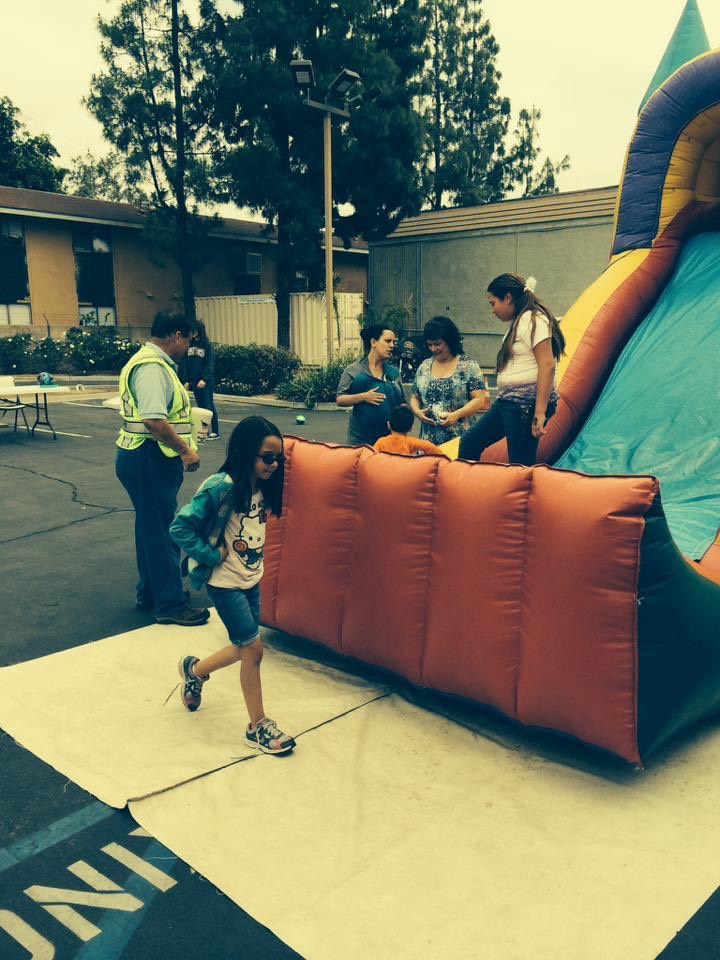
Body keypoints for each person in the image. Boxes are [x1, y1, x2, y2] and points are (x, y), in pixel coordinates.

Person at [169, 416, 295, 756]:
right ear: (244, 452)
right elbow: (179, 529)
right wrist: (209, 555)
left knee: (244, 647)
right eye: (267, 457)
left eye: (278, 458)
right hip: (224, 583)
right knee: (253, 650)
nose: (273, 464)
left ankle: (194, 670)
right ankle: (258, 726)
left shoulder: (264, 486)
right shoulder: (220, 487)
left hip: (251, 578)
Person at [115, 310, 209, 627]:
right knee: (161, 531)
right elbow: (153, 420)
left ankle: (150, 593)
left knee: (149, 528)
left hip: (142, 456)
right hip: (150, 457)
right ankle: (170, 604)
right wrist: (185, 450)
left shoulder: (151, 364)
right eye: (188, 340)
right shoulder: (152, 367)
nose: (188, 349)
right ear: (177, 336)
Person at [458, 274, 565, 465]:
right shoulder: (519, 322)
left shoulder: (533, 320)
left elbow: (547, 364)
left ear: (507, 298)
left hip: (525, 405)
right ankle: (468, 488)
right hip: (508, 401)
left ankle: (523, 493)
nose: (492, 311)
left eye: (493, 303)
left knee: (520, 463)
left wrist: (540, 412)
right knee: (470, 442)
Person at [410, 316, 487, 446]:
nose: (433, 349)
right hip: (428, 444)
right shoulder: (424, 367)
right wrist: (417, 412)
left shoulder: (469, 366)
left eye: (437, 344)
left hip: (461, 442)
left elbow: (480, 400)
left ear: (450, 341)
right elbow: (414, 397)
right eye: (430, 345)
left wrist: (456, 415)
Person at [336, 324, 404, 445]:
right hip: (360, 441)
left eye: (394, 342)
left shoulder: (394, 373)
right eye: (388, 341)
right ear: (373, 342)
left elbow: (403, 403)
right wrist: (363, 397)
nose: (392, 345)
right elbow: (340, 399)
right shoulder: (353, 370)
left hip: (389, 441)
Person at [179, 319, 219, 440]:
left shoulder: (206, 345)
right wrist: (186, 380)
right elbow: (185, 363)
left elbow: (210, 363)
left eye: (195, 330)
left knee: (208, 406)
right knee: (201, 407)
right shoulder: (189, 345)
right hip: (194, 381)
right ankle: (204, 431)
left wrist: (205, 379)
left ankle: (215, 432)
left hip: (205, 381)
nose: (193, 333)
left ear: (199, 330)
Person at [373, 403, 444, 456]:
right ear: (411, 428)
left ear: (388, 425)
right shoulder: (412, 442)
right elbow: (436, 451)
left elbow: (370, 458)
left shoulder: (381, 442)